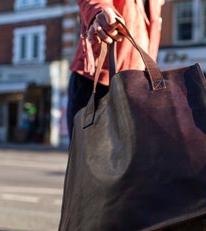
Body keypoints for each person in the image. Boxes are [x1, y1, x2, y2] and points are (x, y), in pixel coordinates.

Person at [67, 0, 164, 138]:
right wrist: (100, 13)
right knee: (91, 156)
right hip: (96, 82)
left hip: (137, 87)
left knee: (138, 156)